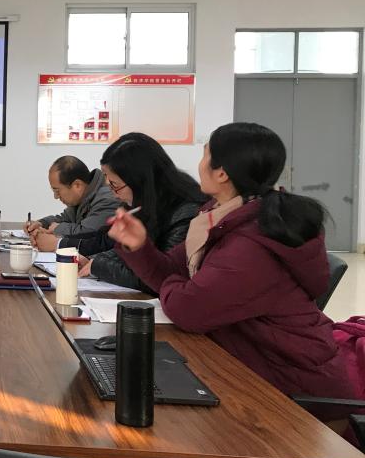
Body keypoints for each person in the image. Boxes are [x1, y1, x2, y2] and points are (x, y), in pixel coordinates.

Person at [109, 122, 361, 400]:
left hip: (290, 385)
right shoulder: (220, 218)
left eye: (205, 154)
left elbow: (188, 309)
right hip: (247, 364)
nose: (199, 164)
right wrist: (140, 247)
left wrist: (184, 286)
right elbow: (172, 272)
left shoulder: (253, 241)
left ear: (221, 173)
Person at [75, 133, 204, 293]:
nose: (112, 192)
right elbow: (127, 252)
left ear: (140, 182)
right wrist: (92, 261)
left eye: (115, 185)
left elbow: (160, 276)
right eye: (107, 180)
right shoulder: (142, 203)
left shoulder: (186, 213)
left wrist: (98, 266)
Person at [26, 155, 119, 252]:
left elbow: (90, 232)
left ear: (77, 185)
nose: (56, 196)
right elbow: (65, 218)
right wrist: (41, 223)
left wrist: (57, 229)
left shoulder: (107, 198)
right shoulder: (82, 196)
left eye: (57, 191)